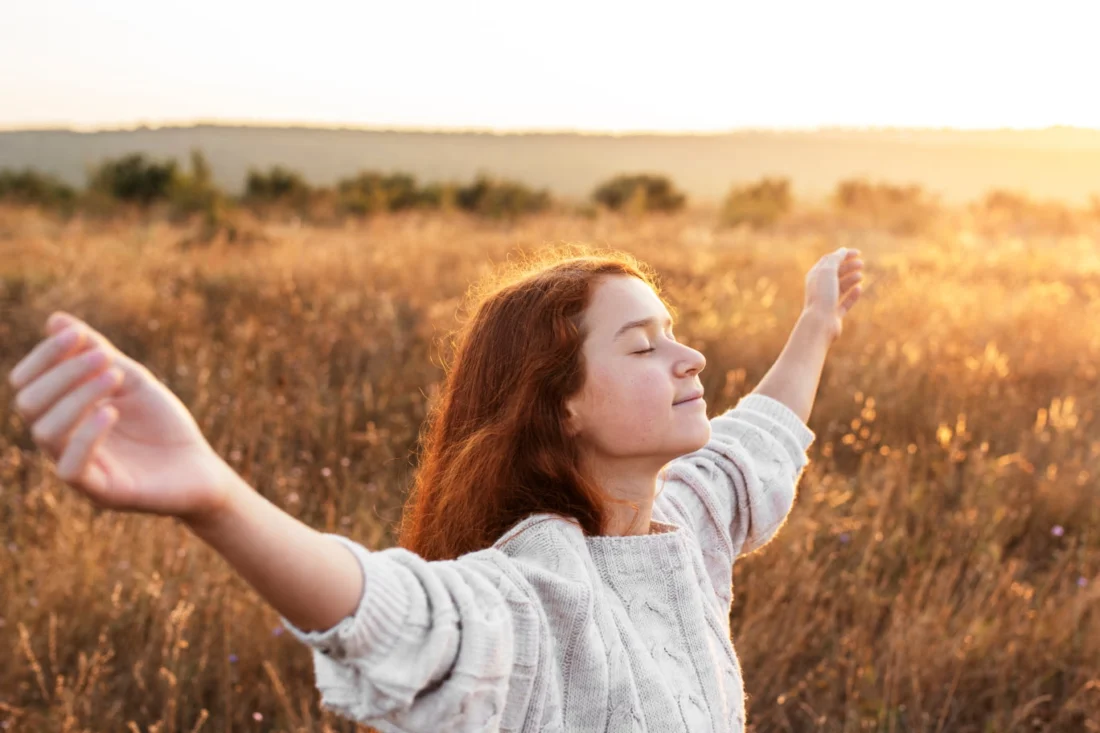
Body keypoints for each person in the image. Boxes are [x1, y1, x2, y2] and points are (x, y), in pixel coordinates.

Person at [7, 245, 864, 732]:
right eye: (643, 346)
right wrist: (216, 498)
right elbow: (401, 613)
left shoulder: (682, 517)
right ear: (559, 405)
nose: (692, 358)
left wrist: (817, 321)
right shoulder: (539, 588)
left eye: (673, 334)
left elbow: (759, 445)